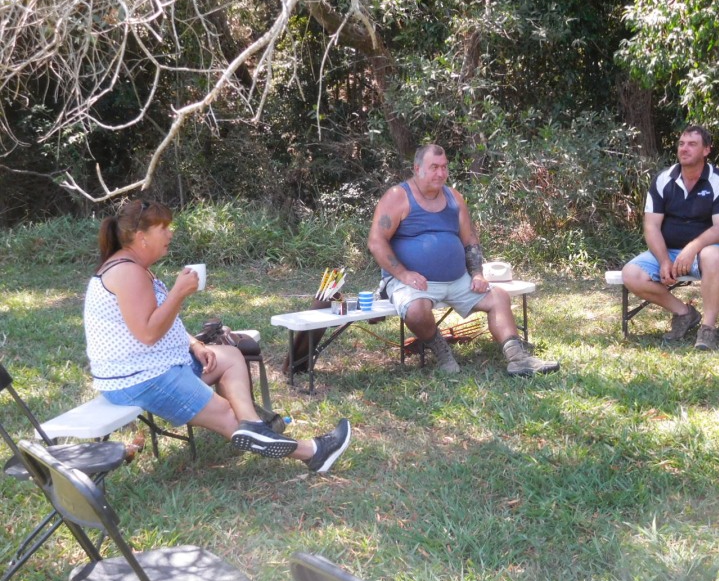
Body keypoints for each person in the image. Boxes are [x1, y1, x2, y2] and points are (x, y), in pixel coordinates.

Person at [83, 200, 351, 471]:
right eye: (163, 227)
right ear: (141, 237)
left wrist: (194, 344)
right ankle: (313, 452)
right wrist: (178, 292)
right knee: (224, 413)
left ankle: (252, 424)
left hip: (157, 366)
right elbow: (148, 333)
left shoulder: (133, 268)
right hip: (141, 380)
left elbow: (153, 320)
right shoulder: (127, 272)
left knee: (231, 356)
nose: (170, 233)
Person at [368, 144, 559, 376]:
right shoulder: (398, 197)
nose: (441, 173)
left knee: (498, 297)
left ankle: (518, 358)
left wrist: (477, 273)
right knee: (416, 311)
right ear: (417, 168)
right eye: (434, 167)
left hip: (457, 280)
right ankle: (441, 350)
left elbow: (470, 240)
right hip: (412, 282)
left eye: (444, 167)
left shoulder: (454, 197)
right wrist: (403, 274)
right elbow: (377, 241)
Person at [621, 125, 719, 350]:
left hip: (705, 251)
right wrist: (664, 260)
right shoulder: (663, 179)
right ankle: (684, 313)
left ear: (706, 150)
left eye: (692, 144)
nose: (684, 149)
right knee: (631, 274)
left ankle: (708, 329)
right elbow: (652, 226)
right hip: (669, 250)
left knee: (712, 256)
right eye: (681, 144)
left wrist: (692, 248)